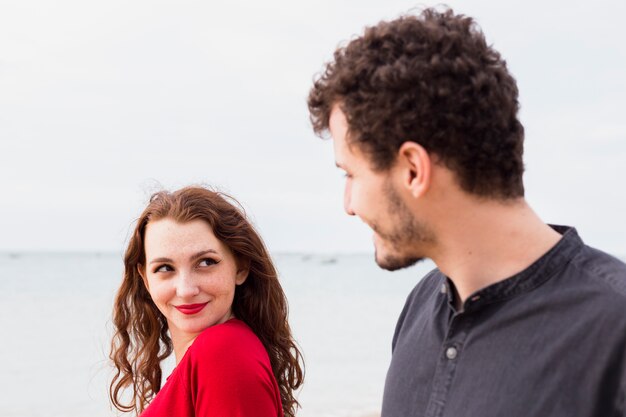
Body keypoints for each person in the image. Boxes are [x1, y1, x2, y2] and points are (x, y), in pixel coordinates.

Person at [308, 7, 626, 417]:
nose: (348, 205)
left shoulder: (614, 330)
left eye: (350, 174)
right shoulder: (420, 308)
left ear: (413, 169)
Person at [109, 186, 304, 417]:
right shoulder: (207, 361)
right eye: (164, 268)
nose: (186, 289)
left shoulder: (223, 353)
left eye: (206, 263)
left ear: (240, 267)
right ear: (146, 279)